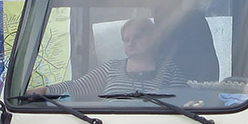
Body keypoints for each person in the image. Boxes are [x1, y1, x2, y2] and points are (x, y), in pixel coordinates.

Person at [37, 17, 185, 99]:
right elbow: (75, 87)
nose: (130, 43)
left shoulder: (169, 70)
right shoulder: (111, 68)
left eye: (137, 37)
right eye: (126, 40)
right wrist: (44, 91)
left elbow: (185, 101)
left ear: (152, 38)